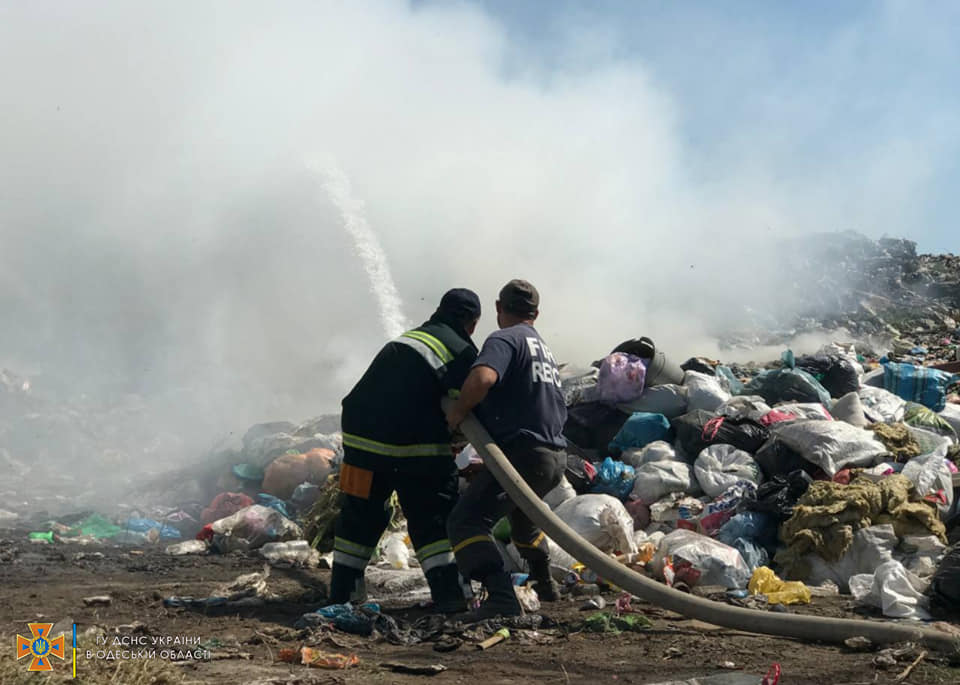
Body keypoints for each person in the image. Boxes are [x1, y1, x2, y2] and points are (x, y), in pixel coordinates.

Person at [330, 288, 482, 612]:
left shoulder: (409, 339)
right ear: (472, 322)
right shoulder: (460, 350)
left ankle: (343, 595)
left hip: (359, 440)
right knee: (433, 516)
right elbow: (466, 407)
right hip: (413, 445)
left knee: (359, 514)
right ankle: (452, 596)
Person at [445, 279, 567, 618]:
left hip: (525, 454)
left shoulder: (504, 338)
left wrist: (457, 414)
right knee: (524, 519)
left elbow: (483, 378)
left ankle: (500, 599)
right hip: (554, 458)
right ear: (536, 314)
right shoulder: (541, 347)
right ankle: (545, 584)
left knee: (466, 522)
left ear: (498, 308)